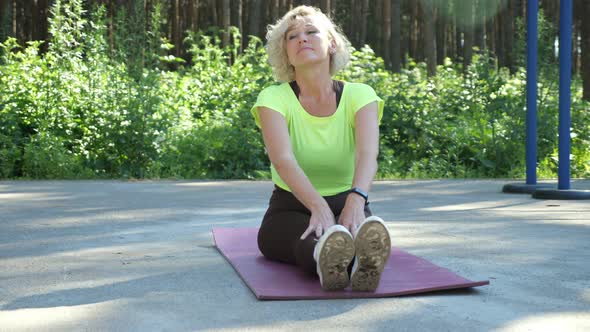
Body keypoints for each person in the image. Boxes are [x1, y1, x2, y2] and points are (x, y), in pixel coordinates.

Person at [250, 5, 391, 292]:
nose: (302, 39)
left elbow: (367, 154)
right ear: (286, 53)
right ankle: (327, 257)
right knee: (301, 241)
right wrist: (317, 206)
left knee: (348, 233)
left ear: (332, 44)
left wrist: (357, 201)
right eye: (292, 36)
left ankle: (362, 257)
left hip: (349, 200)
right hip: (292, 205)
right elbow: (282, 159)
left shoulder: (360, 95)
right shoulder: (273, 98)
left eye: (312, 32)